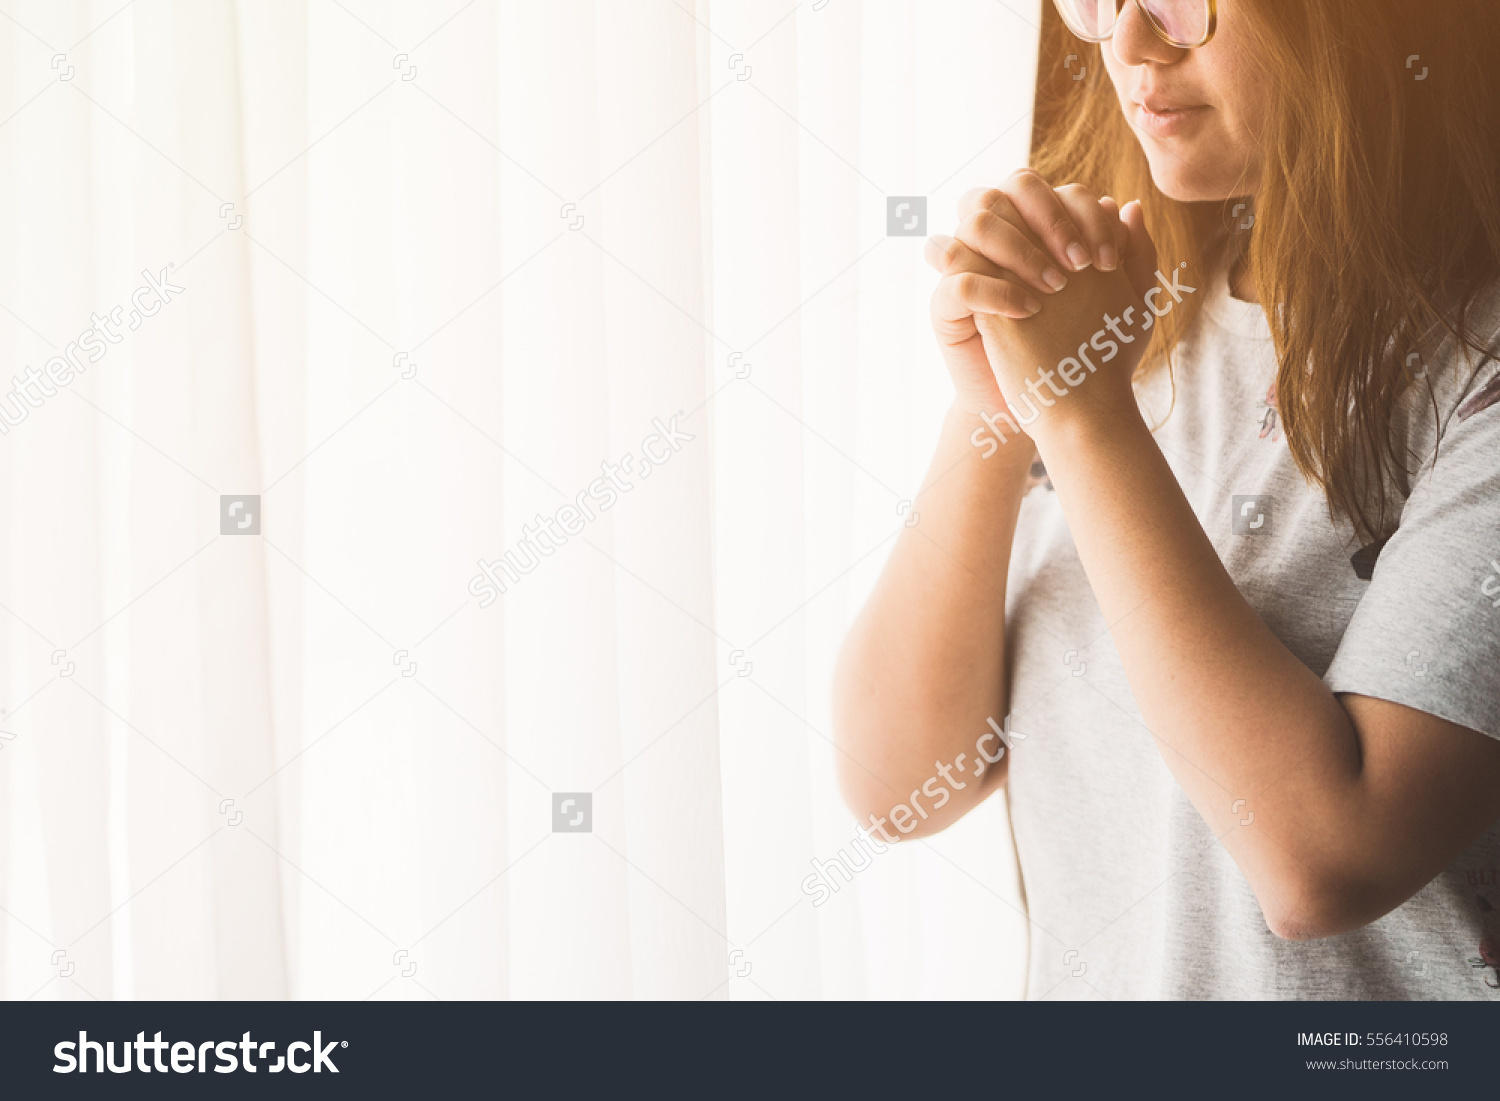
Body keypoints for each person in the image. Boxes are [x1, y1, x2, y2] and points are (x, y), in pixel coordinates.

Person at [832, 0, 1500, 999]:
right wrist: (997, 413)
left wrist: (1081, 421)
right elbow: (900, 787)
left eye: (1185, 0)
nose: (1129, 44)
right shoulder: (1118, 322)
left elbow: (1325, 864)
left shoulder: (1474, 375)